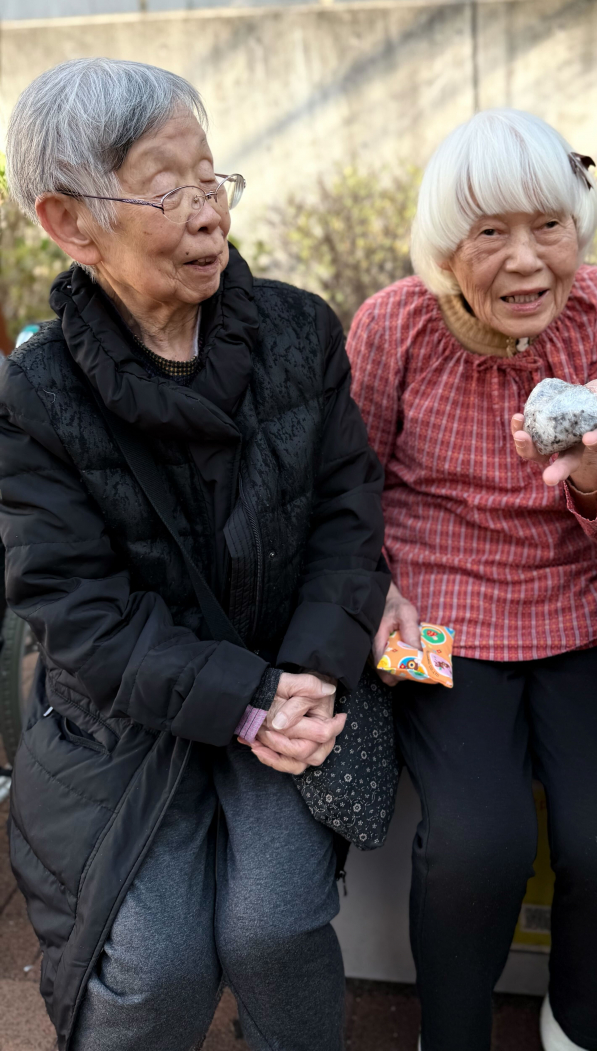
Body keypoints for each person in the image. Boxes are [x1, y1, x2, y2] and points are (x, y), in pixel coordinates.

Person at [1, 58, 389, 1051]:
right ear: (70, 223)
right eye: (168, 189)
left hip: (290, 678)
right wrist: (246, 702)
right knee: (157, 963)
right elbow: (82, 614)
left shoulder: (299, 330)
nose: (209, 213)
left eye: (212, 178)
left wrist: (309, 675)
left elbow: (349, 518)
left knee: (275, 928)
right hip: (128, 716)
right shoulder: (36, 397)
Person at [346, 109, 597, 1051]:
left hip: (588, 601)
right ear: (446, 245)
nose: (527, 260)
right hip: (433, 610)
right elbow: (347, 483)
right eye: (491, 232)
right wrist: (373, 588)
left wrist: (592, 469)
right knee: (474, 847)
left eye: (550, 226)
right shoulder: (393, 323)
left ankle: (576, 1031)